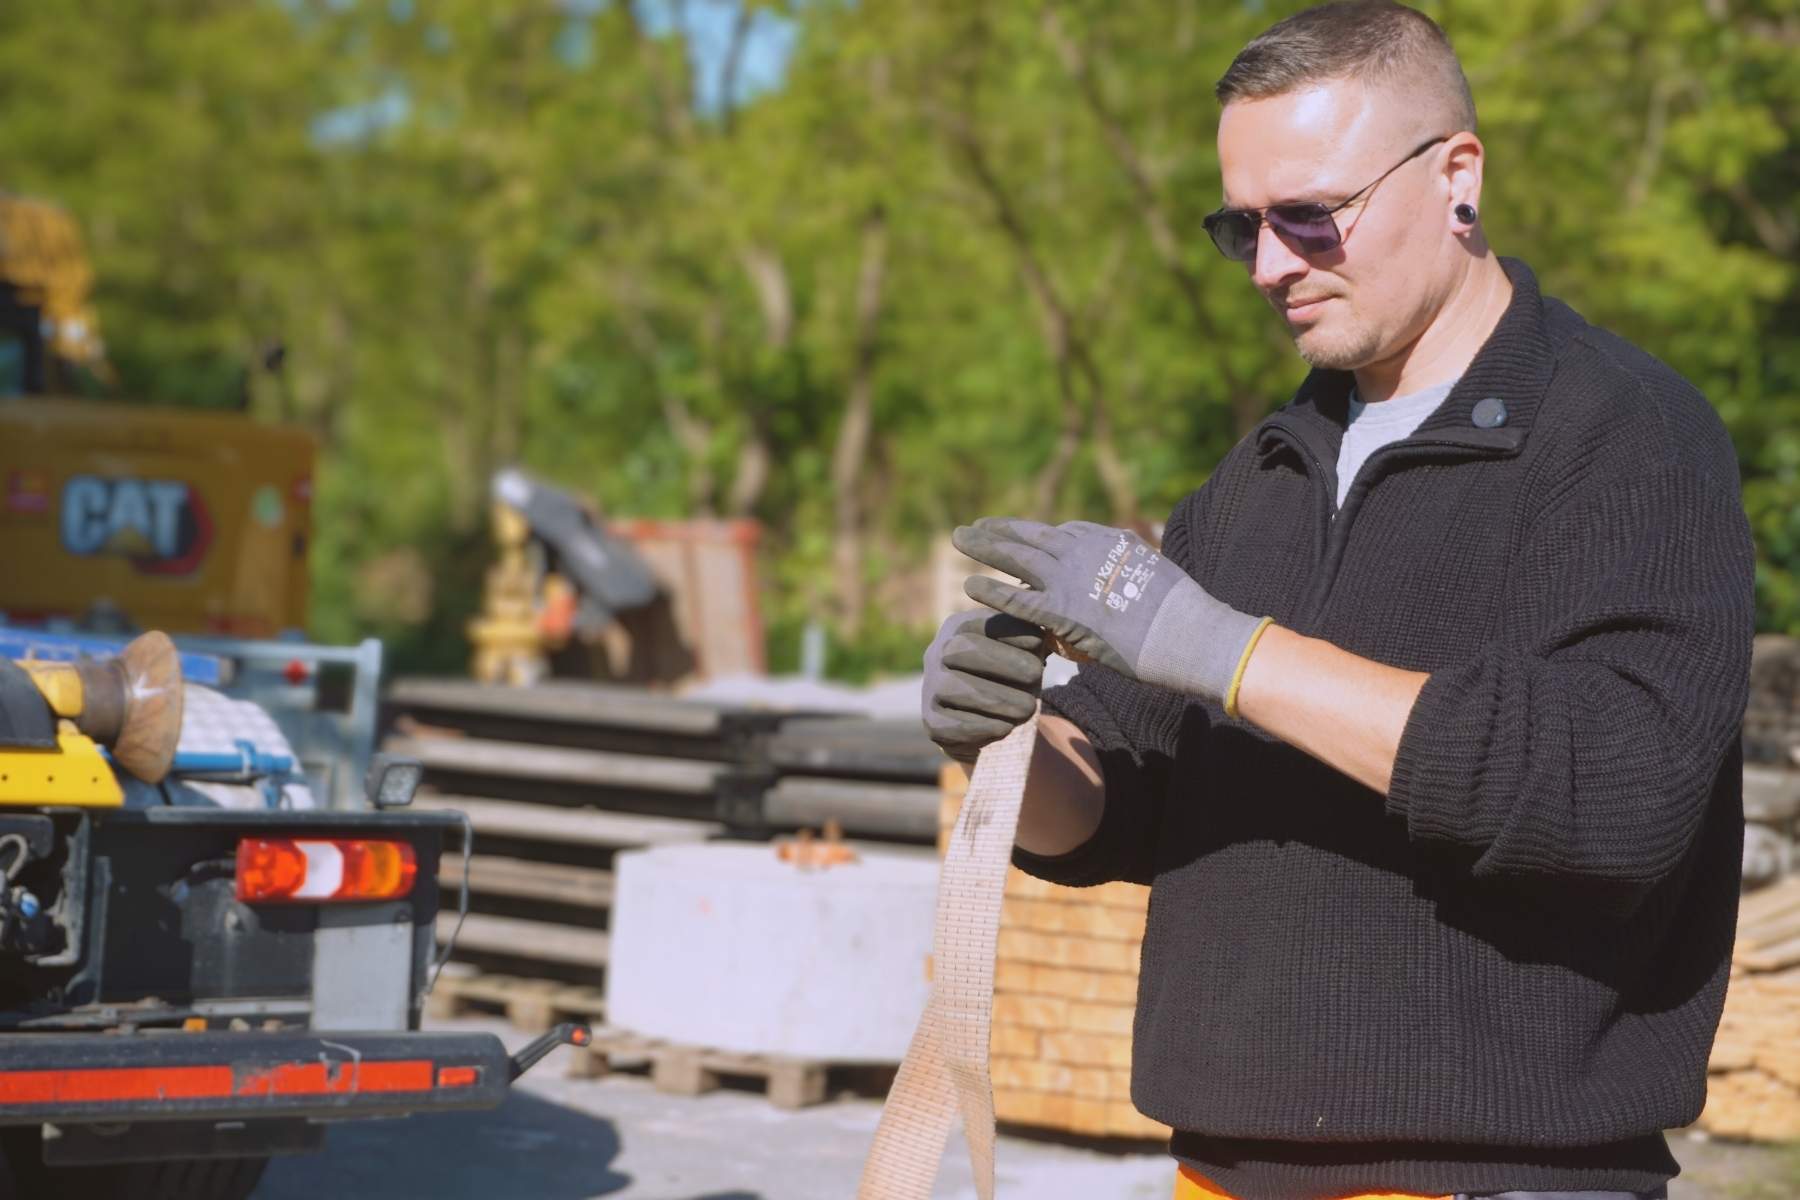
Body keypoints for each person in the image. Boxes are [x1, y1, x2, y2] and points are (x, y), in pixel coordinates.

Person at [919, 3, 1756, 1199]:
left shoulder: (1628, 437)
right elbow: (1116, 808)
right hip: (1220, 1170)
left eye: (1311, 216)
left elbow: (1614, 799)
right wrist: (1008, 742)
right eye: (1242, 227)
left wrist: (1224, 649)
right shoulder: (1262, 470)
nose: (1271, 266)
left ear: (1457, 176)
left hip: (1499, 1176)